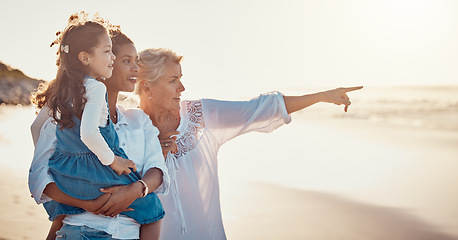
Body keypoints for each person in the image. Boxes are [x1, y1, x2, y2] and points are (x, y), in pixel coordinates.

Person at [130, 48, 363, 239]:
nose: (182, 88)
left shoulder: (201, 116)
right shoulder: (127, 128)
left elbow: (260, 108)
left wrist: (321, 96)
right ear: (147, 86)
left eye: (181, 79)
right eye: (173, 81)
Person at [29, 12, 168, 239]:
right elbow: (40, 179)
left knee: (154, 208)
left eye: (136, 61)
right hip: (79, 230)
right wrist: (87, 202)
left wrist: (132, 191)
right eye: (125, 60)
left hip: (128, 233)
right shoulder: (66, 114)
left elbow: (158, 171)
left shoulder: (139, 120)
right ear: (88, 60)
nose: (136, 68)